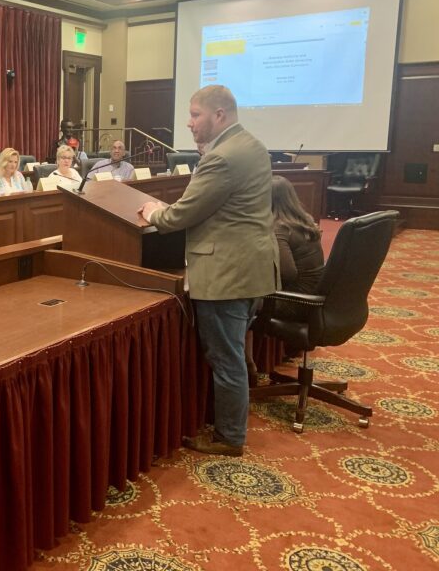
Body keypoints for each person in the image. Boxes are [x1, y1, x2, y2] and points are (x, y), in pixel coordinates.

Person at [139, 85, 279, 457]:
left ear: (220, 115)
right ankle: (231, 425)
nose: (189, 122)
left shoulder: (223, 157)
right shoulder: (252, 145)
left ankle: (230, 437)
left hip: (226, 274)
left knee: (225, 357)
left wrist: (154, 213)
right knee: (234, 351)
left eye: (195, 114)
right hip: (251, 268)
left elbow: (183, 214)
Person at [244, 176, 325, 382]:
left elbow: (286, 273)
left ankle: (246, 366)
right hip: (314, 298)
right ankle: (249, 362)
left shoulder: (279, 227)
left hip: (295, 301)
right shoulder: (303, 220)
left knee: (241, 301)